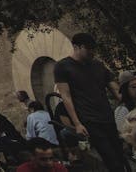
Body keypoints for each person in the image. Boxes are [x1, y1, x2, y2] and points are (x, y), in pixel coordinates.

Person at [53, 33, 127, 170]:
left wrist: (129, 103)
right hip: (89, 120)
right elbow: (66, 96)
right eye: (88, 49)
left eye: (93, 48)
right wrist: (77, 123)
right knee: (110, 158)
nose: (92, 52)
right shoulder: (62, 67)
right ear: (76, 47)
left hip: (107, 116)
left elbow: (115, 88)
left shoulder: (98, 65)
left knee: (120, 156)